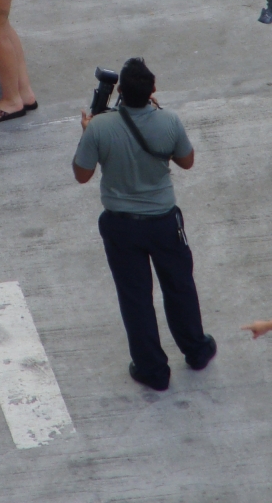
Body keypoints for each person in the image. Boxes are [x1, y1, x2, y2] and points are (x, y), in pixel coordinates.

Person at [72, 57, 216, 391]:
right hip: (164, 222)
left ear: (119, 90)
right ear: (152, 91)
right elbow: (187, 162)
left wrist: (87, 133)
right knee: (179, 285)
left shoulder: (100, 127)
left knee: (135, 297)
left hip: (121, 227)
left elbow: (82, 175)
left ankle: (152, 369)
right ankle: (196, 349)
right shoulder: (169, 121)